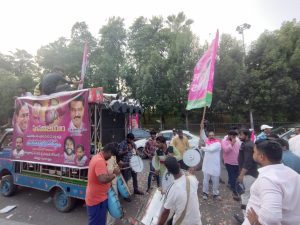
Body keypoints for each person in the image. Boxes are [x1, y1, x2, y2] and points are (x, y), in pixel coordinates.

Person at [243, 140, 300, 225]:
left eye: (254, 152)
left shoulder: (268, 179)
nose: (253, 154)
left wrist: (256, 223)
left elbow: (271, 218)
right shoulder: (293, 173)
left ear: (262, 157)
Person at [157, 156, 202, 225]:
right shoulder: (192, 179)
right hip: (197, 221)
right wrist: (191, 172)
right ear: (179, 165)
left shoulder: (172, 190)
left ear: (168, 171)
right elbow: (193, 181)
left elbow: (166, 212)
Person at [85, 143, 121, 225]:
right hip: (96, 200)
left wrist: (111, 173)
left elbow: (102, 175)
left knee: (101, 222)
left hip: (100, 198)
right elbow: (103, 179)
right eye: (111, 155)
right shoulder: (99, 161)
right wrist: (115, 174)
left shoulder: (98, 157)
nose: (111, 157)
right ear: (109, 152)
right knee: (95, 223)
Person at [234, 129, 258, 224]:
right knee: (249, 195)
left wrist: (241, 174)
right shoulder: (250, 144)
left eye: (241, 134)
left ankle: (246, 219)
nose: (239, 136)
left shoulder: (247, 146)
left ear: (247, 136)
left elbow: (247, 162)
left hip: (248, 174)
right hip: (251, 174)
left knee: (245, 195)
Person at [200, 123, 222, 201]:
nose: (211, 136)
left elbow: (211, 149)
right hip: (206, 165)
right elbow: (203, 136)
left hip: (215, 166)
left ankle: (215, 194)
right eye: (210, 135)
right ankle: (205, 193)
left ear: (214, 135)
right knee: (205, 180)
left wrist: (202, 148)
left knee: (215, 181)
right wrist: (202, 128)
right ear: (208, 136)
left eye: (212, 135)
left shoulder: (218, 143)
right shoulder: (207, 141)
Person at [221, 130, 241, 198]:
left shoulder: (237, 141)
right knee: (232, 176)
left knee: (237, 176)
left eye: (235, 136)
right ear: (229, 135)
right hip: (229, 162)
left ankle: (236, 188)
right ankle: (234, 191)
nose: (234, 138)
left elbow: (239, 151)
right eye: (233, 136)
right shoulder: (224, 141)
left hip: (237, 162)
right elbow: (226, 150)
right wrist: (231, 143)